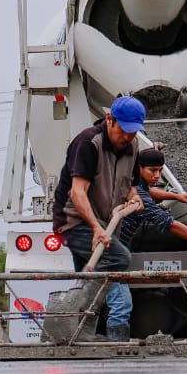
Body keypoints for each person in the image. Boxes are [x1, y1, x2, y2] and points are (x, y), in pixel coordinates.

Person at [49, 95, 155, 342]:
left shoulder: (133, 146)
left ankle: (77, 334)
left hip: (105, 224)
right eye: (124, 131)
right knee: (119, 257)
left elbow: (129, 185)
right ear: (110, 120)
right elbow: (77, 192)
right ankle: (85, 322)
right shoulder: (88, 143)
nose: (128, 137)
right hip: (74, 222)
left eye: (133, 132)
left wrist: (134, 198)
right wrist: (96, 228)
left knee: (87, 276)